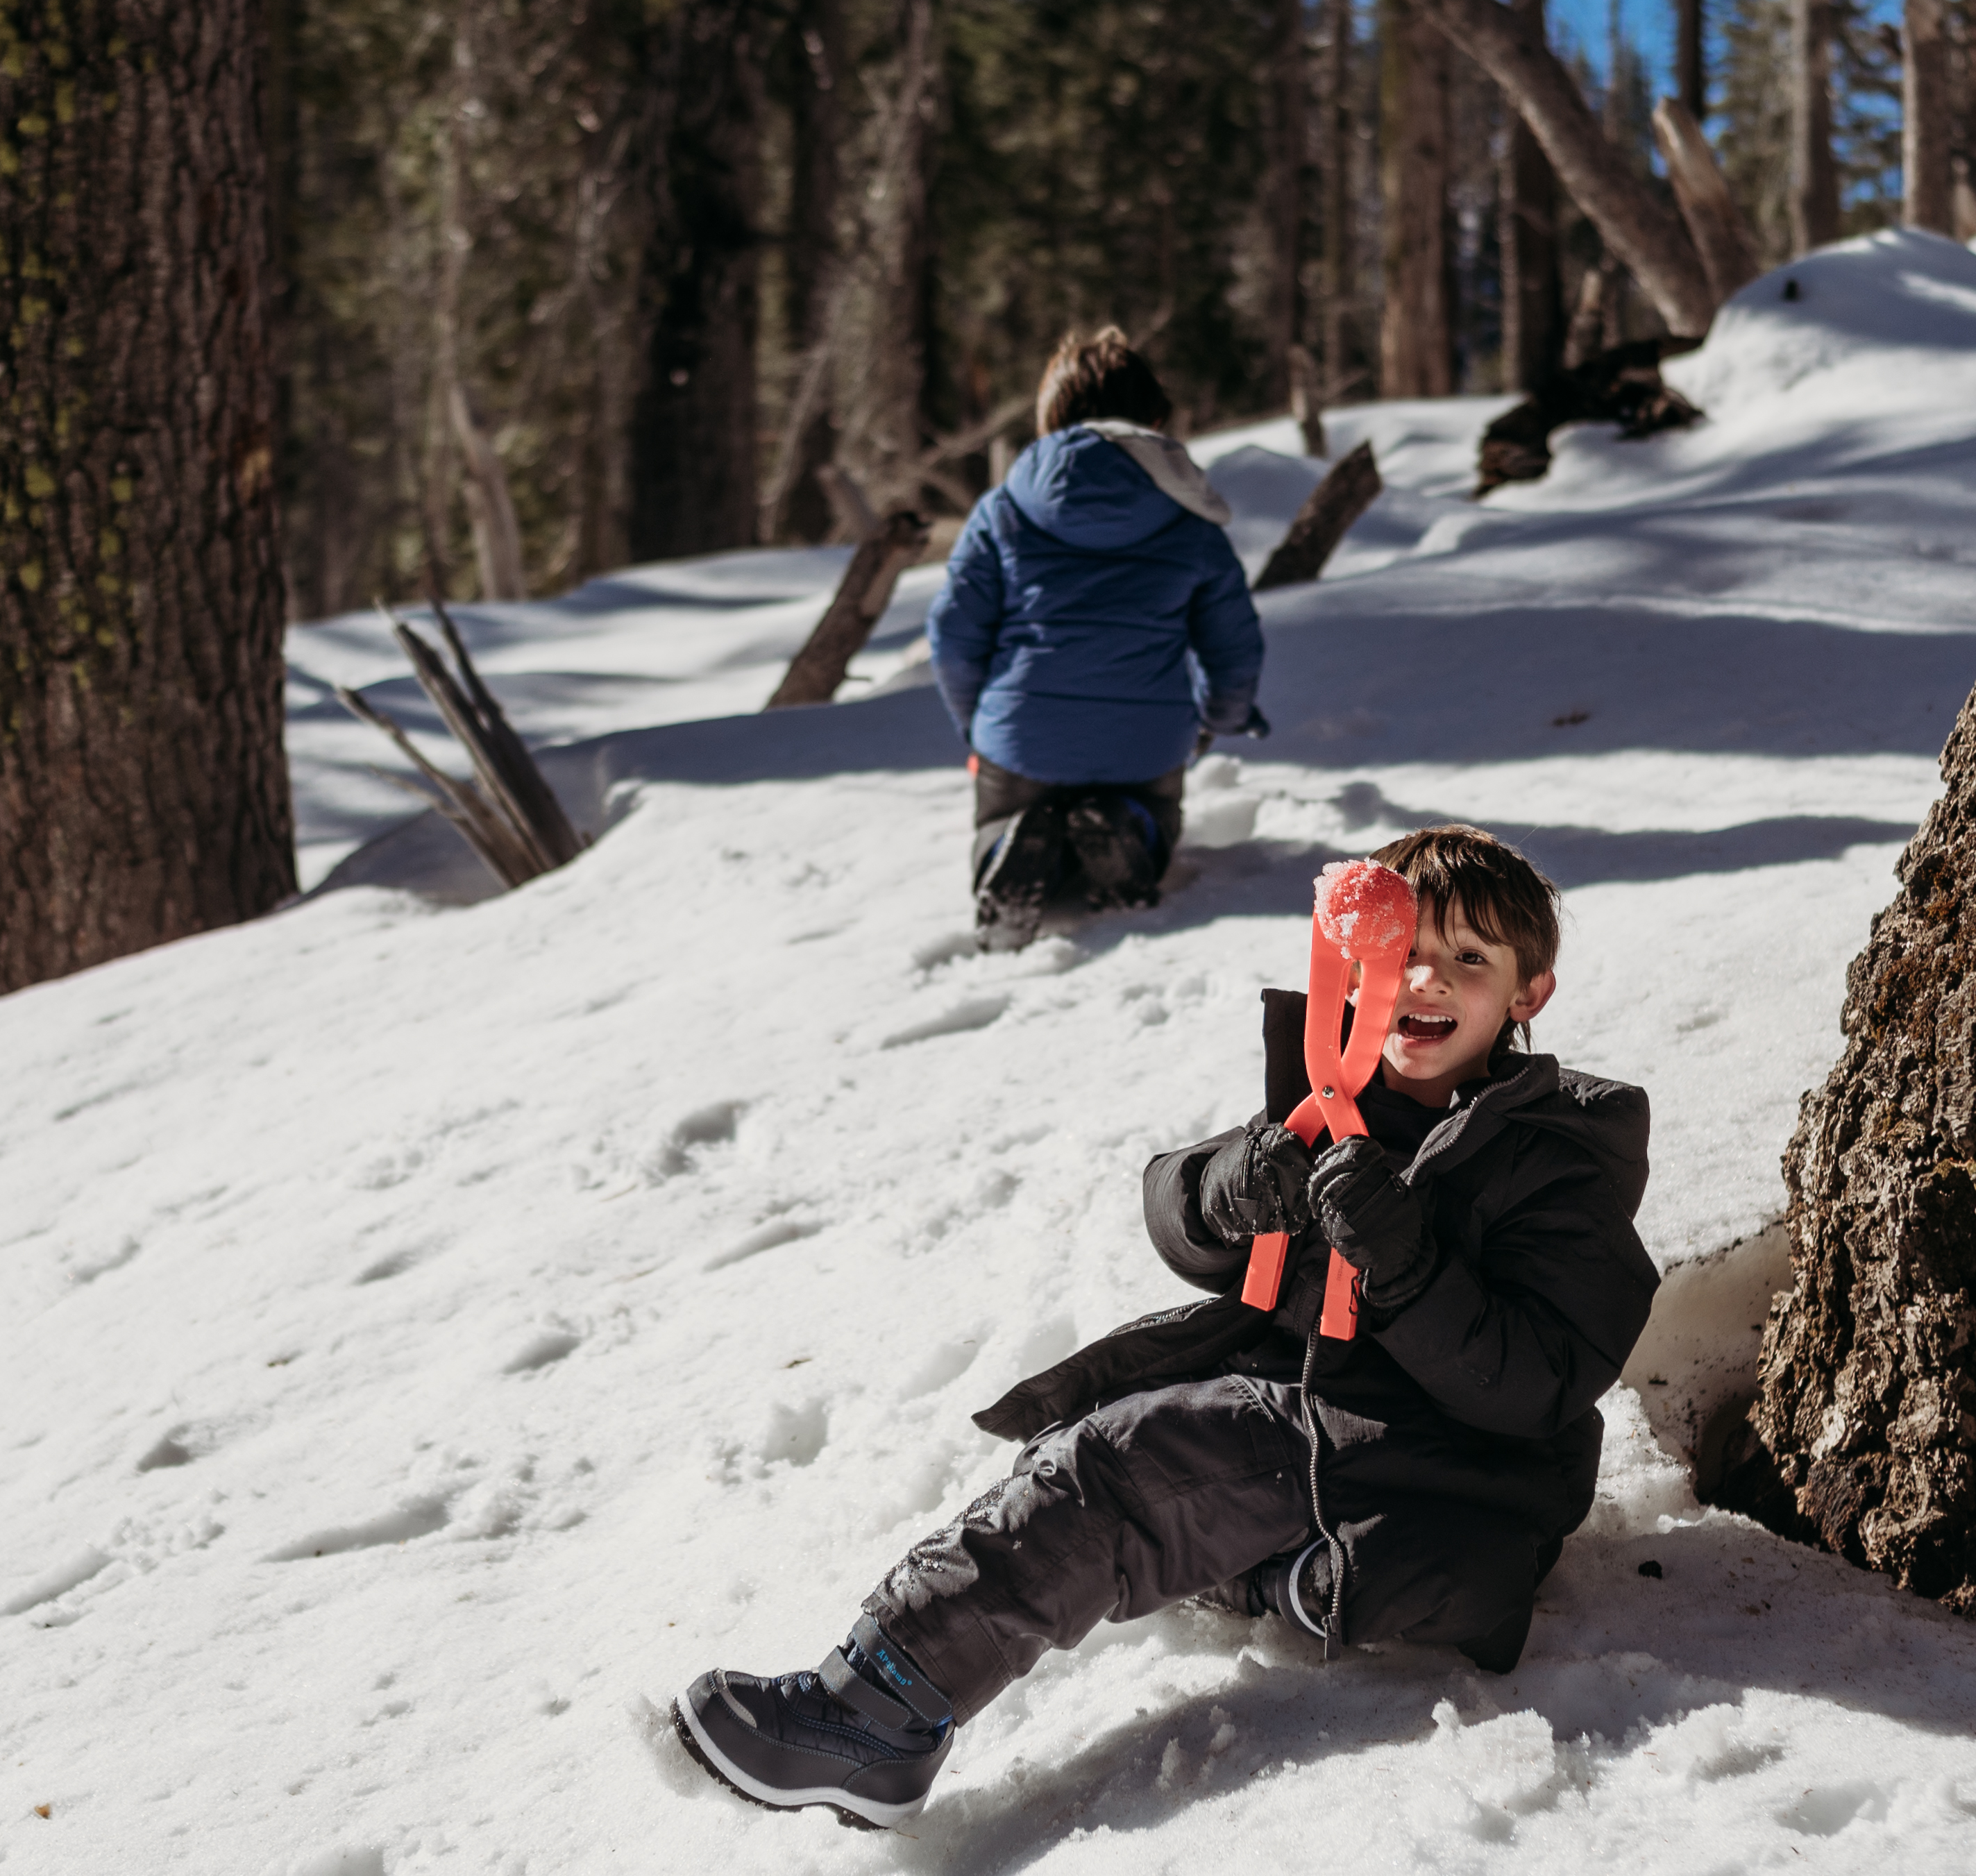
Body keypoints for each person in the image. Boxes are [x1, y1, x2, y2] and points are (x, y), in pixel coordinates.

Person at [673, 826, 1657, 1829]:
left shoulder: (1554, 1161)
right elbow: (1175, 1213)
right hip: (1323, 1427)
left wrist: (1408, 1266)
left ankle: (875, 1712)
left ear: (1526, 995)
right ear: (1354, 967)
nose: (1427, 983)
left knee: (1117, 1470)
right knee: (1087, 1453)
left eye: (1469, 961)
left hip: (1425, 1451)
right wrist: (1234, 1190)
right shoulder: (1332, 1099)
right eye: (1402, 955)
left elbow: (1541, 1378)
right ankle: (1299, 1580)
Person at [927, 325, 1265, 936]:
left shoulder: (1003, 509)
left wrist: (976, 723)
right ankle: (1132, 828)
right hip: (1146, 736)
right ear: (1152, 421)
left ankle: (1007, 842)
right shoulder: (1189, 518)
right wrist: (1223, 715)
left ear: (1051, 413)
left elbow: (953, 631)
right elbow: (1233, 643)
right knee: (1158, 809)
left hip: (1022, 735)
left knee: (997, 814)